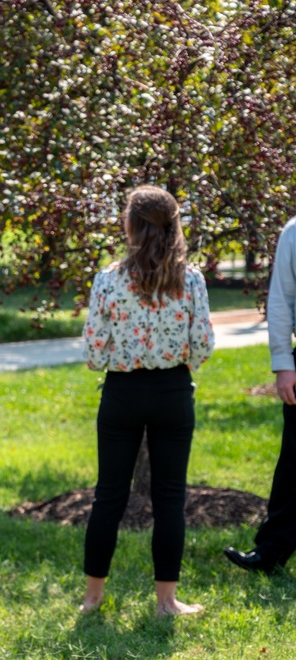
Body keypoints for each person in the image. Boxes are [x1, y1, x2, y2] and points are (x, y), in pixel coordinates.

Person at [79, 185, 215, 616]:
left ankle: (92, 598)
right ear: (175, 225)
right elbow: (203, 346)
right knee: (171, 497)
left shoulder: (108, 279)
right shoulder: (190, 279)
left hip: (121, 393)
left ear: (130, 224)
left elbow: (93, 354)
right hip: (173, 392)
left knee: (108, 497)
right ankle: (166, 602)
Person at [224, 216, 296, 575]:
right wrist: (283, 363)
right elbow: (281, 300)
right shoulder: (294, 232)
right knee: (294, 464)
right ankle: (270, 554)